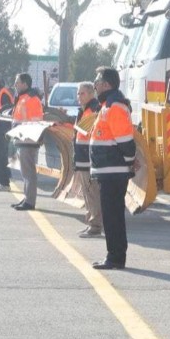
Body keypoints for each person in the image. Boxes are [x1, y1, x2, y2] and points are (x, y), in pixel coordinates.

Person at [89, 67, 135, 270]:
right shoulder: (108, 104)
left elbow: (125, 141)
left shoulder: (114, 106)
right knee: (111, 215)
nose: (95, 85)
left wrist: (129, 160)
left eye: (97, 81)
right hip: (109, 170)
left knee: (113, 216)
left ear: (107, 84)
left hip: (113, 171)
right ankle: (114, 255)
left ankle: (115, 257)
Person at [10, 73, 44, 211]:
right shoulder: (22, 98)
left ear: (25, 84)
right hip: (21, 139)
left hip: (28, 140)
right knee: (25, 172)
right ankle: (27, 197)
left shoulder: (32, 99)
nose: (15, 85)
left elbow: (36, 120)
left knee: (28, 172)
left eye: (17, 82)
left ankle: (30, 201)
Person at [73, 81, 103, 238]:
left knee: (92, 194)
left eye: (82, 93)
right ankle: (90, 223)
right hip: (82, 158)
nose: (79, 96)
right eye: (78, 93)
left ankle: (95, 225)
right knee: (87, 194)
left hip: (88, 159)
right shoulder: (84, 110)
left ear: (92, 94)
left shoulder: (93, 110)